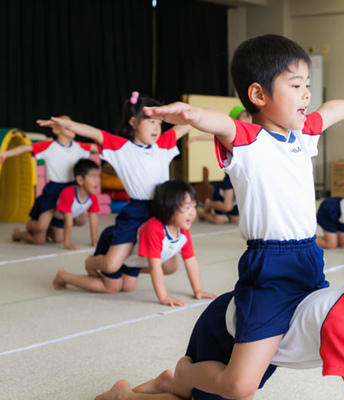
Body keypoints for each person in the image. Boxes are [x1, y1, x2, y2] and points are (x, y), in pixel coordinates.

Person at [142, 34, 344, 399]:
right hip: (270, 265)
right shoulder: (249, 142)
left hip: (309, 258)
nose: (306, 94)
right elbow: (222, 124)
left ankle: (173, 386)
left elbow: (332, 110)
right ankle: (183, 374)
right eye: (295, 85)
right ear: (259, 95)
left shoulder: (302, 135)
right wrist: (193, 115)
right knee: (240, 387)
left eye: (307, 85)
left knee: (274, 360)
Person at [95, 216, 344, 400]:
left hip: (268, 347)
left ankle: (174, 381)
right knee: (229, 394)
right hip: (230, 331)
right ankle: (131, 394)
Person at [37, 91, 192, 278]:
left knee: (170, 268)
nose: (157, 128)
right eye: (151, 122)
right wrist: (66, 124)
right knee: (110, 266)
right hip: (136, 212)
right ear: (133, 122)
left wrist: (178, 113)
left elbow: (191, 122)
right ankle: (91, 262)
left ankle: (128, 265)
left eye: (159, 123)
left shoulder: (163, 144)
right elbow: (93, 132)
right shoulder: (120, 147)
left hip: (162, 209)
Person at [53, 180, 216, 306]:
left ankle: (111, 270)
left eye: (194, 207)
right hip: (112, 242)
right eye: (186, 208)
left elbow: (191, 260)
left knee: (128, 287)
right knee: (112, 288)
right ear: (169, 208)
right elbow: (154, 266)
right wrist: (164, 297)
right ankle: (65, 276)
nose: (192, 213)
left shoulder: (182, 230)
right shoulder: (154, 228)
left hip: (133, 260)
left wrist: (198, 290)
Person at [1, 115, 95, 244]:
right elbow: (26, 148)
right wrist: (5, 154)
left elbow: (100, 146)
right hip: (54, 190)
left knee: (60, 238)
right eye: (66, 126)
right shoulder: (49, 146)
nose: (71, 128)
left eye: (72, 125)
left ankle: (53, 226)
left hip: (70, 189)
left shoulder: (80, 147)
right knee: (40, 236)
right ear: (56, 130)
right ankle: (21, 232)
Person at [48, 158, 101, 250]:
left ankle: (51, 229)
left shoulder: (92, 197)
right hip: (52, 216)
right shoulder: (68, 193)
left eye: (98, 176)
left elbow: (94, 218)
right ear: (80, 180)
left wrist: (94, 240)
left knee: (81, 220)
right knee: (39, 235)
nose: (97, 181)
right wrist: (67, 244)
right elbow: (68, 221)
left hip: (63, 218)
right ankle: (19, 233)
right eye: (93, 177)